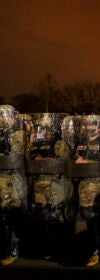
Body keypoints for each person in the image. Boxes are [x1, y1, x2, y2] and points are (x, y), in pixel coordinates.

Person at [63, 115, 100, 266]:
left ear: (98, 127)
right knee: (84, 217)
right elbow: (73, 159)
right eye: (87, 126)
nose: (89, 128)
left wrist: (85, 162)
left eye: (92, 125)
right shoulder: (81, 143)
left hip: (96, 185)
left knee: (92, 217)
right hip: (80, 185)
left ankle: (95, 251)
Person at [25, 113, 71, 260]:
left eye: (46, 129)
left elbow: (63, 160)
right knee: (42, 215)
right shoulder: (36, 143)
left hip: (55, 184)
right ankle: (44, 247)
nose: (43, 133)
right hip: (39, 184)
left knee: (56, 216)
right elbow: (27, 158)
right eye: (41, 129)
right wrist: (30, 143)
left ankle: (58, 248)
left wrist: (43, 159)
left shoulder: (59, 143)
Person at [0, 105, 27, 266]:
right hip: (1, 177)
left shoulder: (18, 132)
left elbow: (16, 152)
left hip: (12, 178)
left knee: (11, 215)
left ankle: (12, 249)